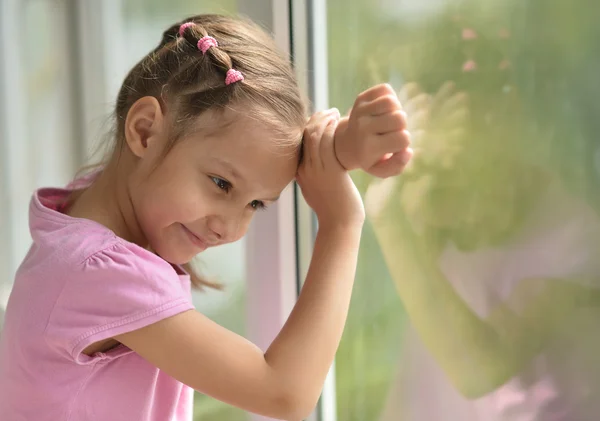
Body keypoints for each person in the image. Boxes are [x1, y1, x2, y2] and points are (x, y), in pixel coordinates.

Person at [0, 14, 412, 421]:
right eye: (220, 184)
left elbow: (250, 148)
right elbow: (284, 394)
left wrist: (339, 148)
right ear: (144, 131)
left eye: (256, 204)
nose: (228, 228)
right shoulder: (100, 274)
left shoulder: (84, 224)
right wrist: (340, 225)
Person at [371, 80, 600, 420]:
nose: (454, 209)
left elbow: (477, 370)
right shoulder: (434, 211)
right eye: (437, 173)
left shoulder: (577, 238)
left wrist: (387, 216)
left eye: (464, 175)